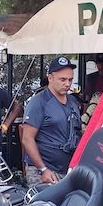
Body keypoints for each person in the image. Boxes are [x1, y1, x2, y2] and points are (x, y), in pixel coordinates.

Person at [21, 56, 82, 185]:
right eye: (62, 79)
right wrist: (43, 169)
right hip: (44, 172)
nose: (67, 84)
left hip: (68, 170)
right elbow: (27, 138)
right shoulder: (39, 102)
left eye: (70, 79)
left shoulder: (73, 102)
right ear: (50, 78)